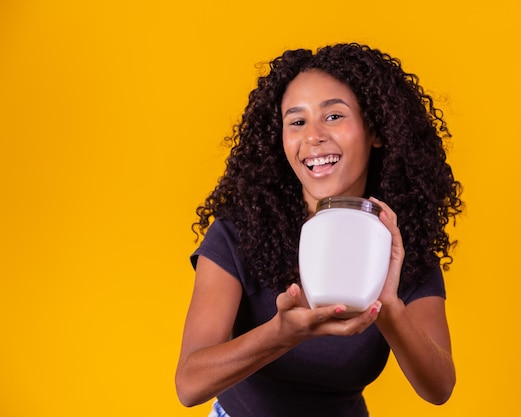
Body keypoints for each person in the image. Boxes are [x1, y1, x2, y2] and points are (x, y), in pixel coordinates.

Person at [175, 43, 464, 417]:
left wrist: (390, 306)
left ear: (374, 129)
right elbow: (189, 384)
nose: (313, 136)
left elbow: (439, 387)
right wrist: (281, 334)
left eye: (333, 116)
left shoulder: (398, 245)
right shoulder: (238, 232)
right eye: (297, 122)